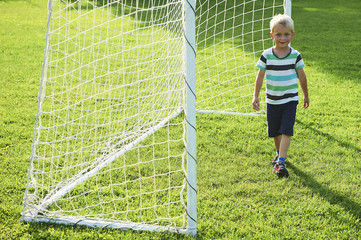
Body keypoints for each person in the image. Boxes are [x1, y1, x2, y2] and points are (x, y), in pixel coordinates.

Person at [252, 14, 309, 178]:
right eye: (278, 34)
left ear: (292, 35)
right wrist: (255, 96)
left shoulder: (295, 55)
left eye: (286, 34)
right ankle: (278, 154)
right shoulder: (267, 55)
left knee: (286, 130)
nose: (282, 38)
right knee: (275, 132)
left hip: (290, 100)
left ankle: (281, 161)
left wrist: (305, 95)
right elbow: (260, 77)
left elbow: (302, 77)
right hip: (272, 100)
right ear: (272, 35)